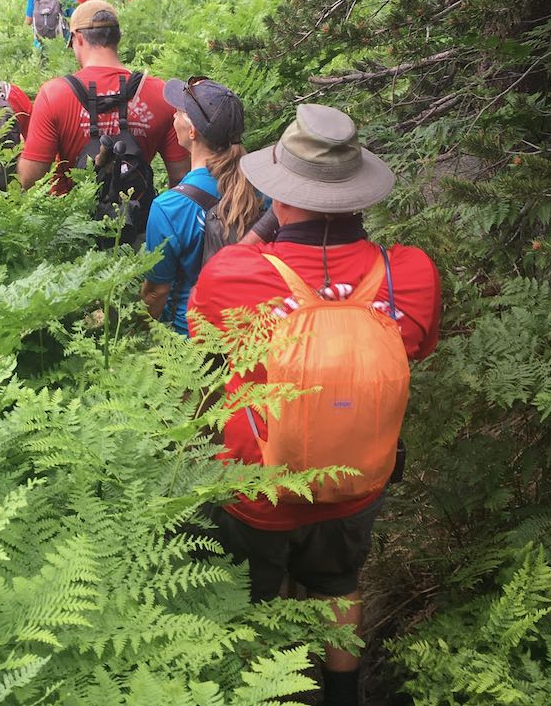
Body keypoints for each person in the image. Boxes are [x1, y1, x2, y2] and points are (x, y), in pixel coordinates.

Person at [187, 104, 441, 706]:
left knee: (253, 598)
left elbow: (204, 344)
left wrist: (263, 232)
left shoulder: (233, 272)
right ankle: (345, 694)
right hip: (357, 480)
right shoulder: (409, 271)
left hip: (258, 485)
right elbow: (418, 350)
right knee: (339, 584)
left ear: (282, 191)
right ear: (358, 192)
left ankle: (267, 692)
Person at [18, 0, 189, 199]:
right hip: (138, 219)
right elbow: (181, 176)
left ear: (78, 38)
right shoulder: (160, 93)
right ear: (118, 37)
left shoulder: (53, 94)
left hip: (71, 224)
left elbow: (30, 179)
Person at [140, 77, 261, 335]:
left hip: (192, 345)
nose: (173, 114)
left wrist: (137, 334)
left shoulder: (170, 207)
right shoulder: (264, 190)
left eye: (179, 111)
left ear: (192, 131)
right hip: (254, 335)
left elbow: (157, 291)